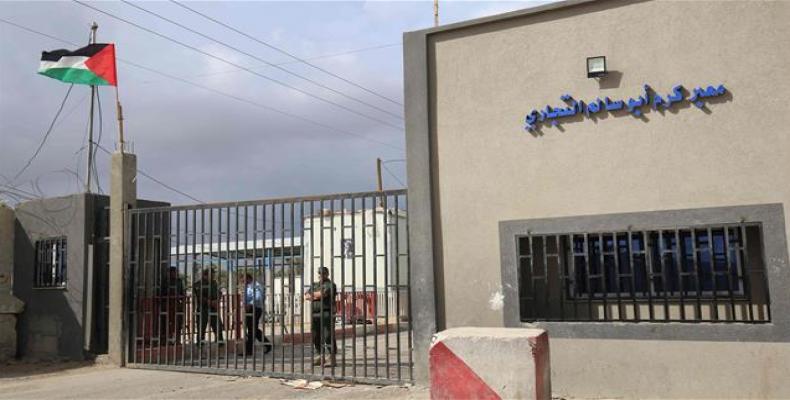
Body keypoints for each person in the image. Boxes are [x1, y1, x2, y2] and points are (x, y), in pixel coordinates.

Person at [304, 266, 337, 367]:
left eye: (323, 273)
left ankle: (332, 358)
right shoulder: (314, 284)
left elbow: (323, 294)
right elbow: (306, 296)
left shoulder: (331, 284)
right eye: (319, 273)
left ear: (327, 274)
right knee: (315, 335)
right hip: (315, 313)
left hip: (327, 312)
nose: (321, 275)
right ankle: (320, 356)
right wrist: (315, 295)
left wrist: (314, 295)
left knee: (328, 335)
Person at [193, 268, 224, 344]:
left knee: (217, 325)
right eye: (212, 274)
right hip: (203, 308)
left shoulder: (214, 283)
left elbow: (219, 292)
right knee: (201, 326)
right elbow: (199, 296)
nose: (213, 276)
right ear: (205, 275)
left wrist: (217, 300)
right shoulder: (198, 284)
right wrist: (209, 302)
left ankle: (220, 341)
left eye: (213, 274)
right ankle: (200, 343)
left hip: (213, 308)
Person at [243, 273, 272, 354]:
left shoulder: (256, 285)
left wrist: (250, 304)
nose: (243, 282)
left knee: (252, 330)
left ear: (248, 278)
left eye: (244, 280)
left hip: (255, 309)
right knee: (253, 329)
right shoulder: (248, 286)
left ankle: (249, 350)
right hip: (250, 310)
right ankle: (267, 345)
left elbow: (259, 297)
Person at [160, 267, 185, 345]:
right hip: (168, 305)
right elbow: (162, 293)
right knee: (167, 323)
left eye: (175, 272)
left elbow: (182, 293)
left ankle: (177, 340)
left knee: (178, 323)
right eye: (172, 272)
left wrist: (181, 298)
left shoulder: (179, 281)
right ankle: (167, 341)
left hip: (177, 305)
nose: (174, 274)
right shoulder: (165, 281)